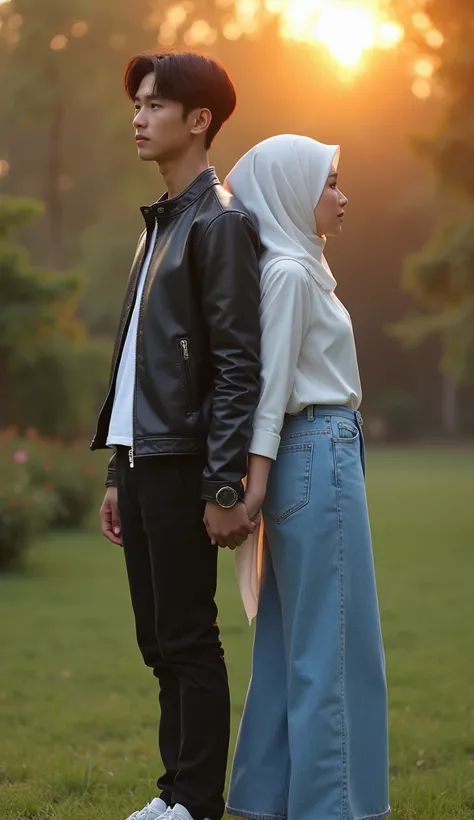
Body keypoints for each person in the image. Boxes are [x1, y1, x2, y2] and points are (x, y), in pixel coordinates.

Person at [90, 51, 262, 820]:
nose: (138, 116)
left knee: (188, 637)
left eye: (155, 104)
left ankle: (194, 801)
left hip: (186, 464)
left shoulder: (218, 222)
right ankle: (175, 795)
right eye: (137, 103)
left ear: (199, 120)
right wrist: (116, 470)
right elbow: (139, 361)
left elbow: (236, 366)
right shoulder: (161, 221)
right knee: (159, 641)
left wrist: (225, 485)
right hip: (143, 460)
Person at [224, 135, 390, 820]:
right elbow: (272, 387)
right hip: (315, 453)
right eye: (330, 184)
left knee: (294, 644)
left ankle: (267, 800)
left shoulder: (296, 265)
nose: (343, 196)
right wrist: (254, 481)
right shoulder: (291, 272)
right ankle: (333, 807)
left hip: (310, 456)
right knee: (338, 647)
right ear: (293, 191)